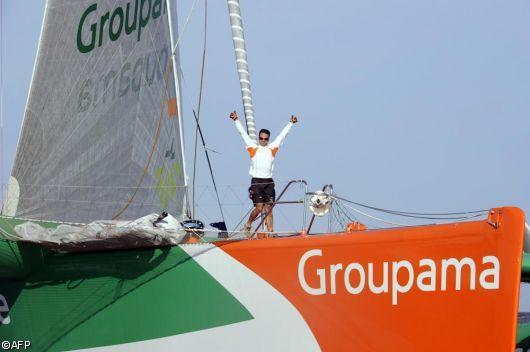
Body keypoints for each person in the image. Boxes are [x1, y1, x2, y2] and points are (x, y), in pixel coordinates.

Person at [229, 111, 298, 235]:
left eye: (265, 139)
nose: (263, 140)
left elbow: (282, 136)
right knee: (259, 208)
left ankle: (271, 232)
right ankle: (248, 224)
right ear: (258, 138)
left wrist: (291, 123)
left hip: (269, 182)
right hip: (256, 182)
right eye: (261, 138)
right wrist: (236, 120)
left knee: (269, 209)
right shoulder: (253, 148)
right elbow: (242, 134)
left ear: (268, 139)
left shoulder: (272, 148)